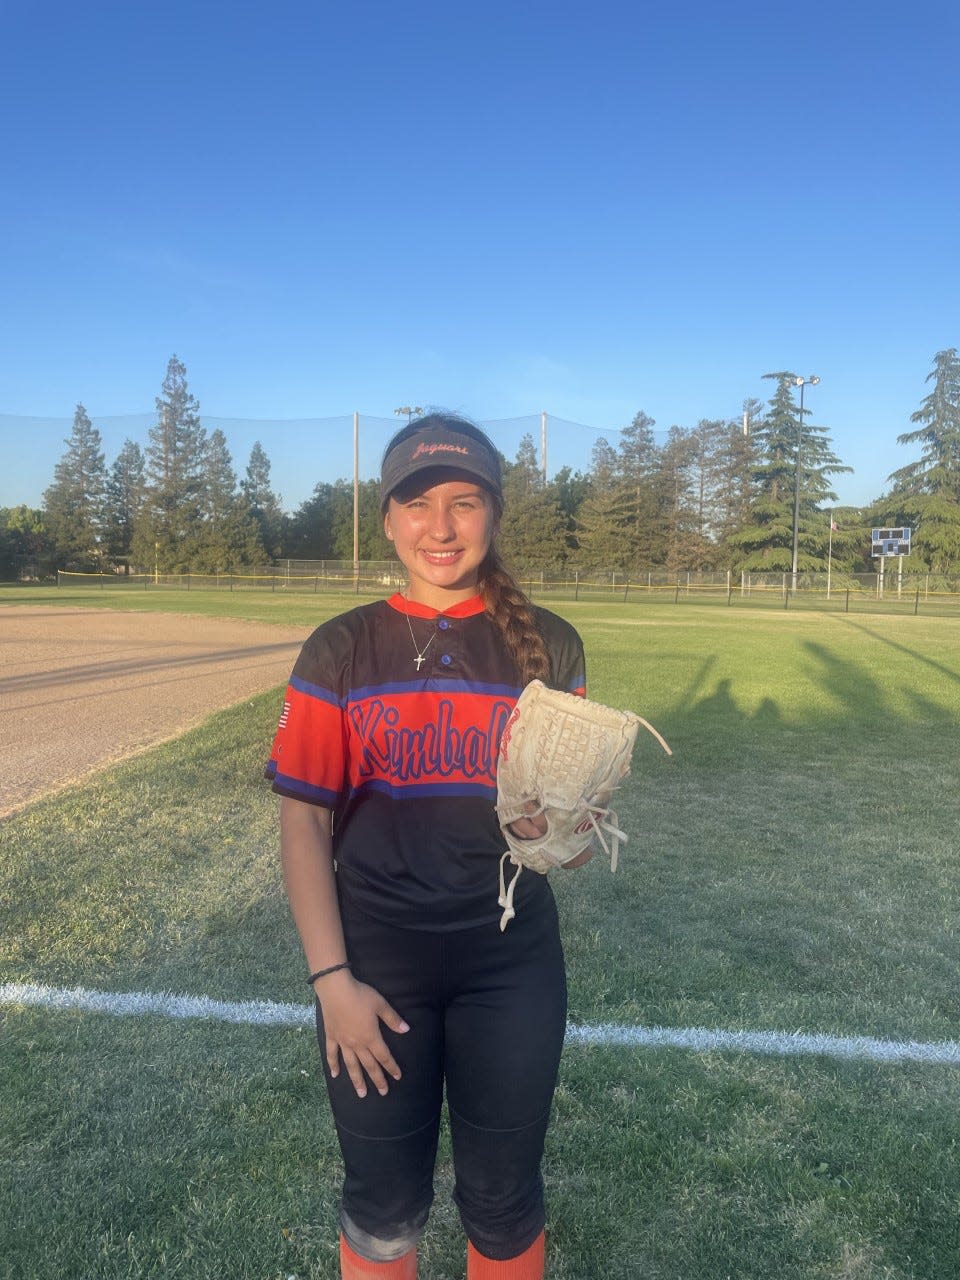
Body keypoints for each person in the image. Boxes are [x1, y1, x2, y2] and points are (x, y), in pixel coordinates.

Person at [266, 413, 591, 1280]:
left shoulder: (551, 646)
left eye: (464, 502)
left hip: (510, 967)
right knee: (381, 1203)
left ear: (494, 512)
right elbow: (303, 820)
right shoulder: (343, 645)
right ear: (385, 519)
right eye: (417, 504)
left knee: (503, 1198)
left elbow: (568, 838)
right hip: (375, 967)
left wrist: (554, 832)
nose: (440, 528)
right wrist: (332, 983)